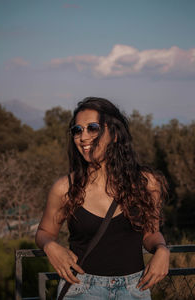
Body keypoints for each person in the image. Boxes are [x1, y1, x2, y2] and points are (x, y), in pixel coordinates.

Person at [35, 97, 170, 300]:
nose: (83, 137)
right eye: (77, 130)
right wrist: (50, 246)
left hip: (134, 289)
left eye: (92, 127)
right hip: (81, 288)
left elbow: (151, 233)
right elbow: (44, 231)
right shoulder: (65, 188)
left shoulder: (146, 183)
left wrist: (162, 250)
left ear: (114, 134)